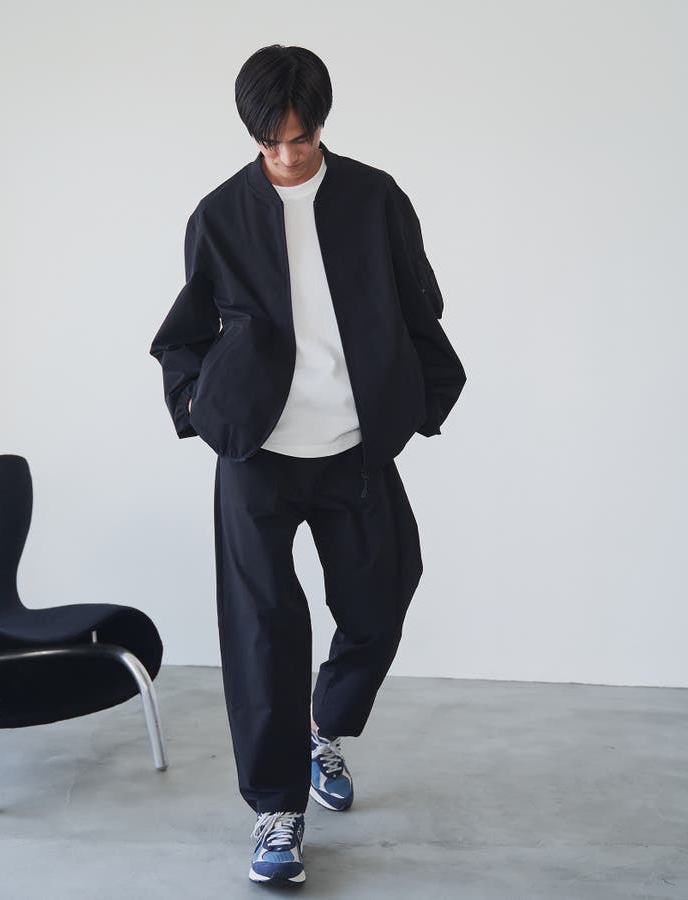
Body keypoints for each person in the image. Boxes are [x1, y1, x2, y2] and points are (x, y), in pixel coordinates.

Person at [149, 44, 466, 886]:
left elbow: (420, 304)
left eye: (301, 137)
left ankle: (324, 727)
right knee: (262, 629)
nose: (287, 155)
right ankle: (276, 810)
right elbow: (183, 334)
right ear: (253, 134)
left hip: (353, 447)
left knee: (381, 599)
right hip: (255, 452)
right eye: (271, 141)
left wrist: (423, 398)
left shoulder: (375, 198)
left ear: (321, 124)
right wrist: (196, 406)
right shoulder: (221, 213)